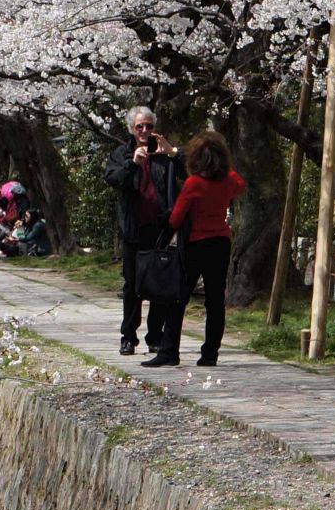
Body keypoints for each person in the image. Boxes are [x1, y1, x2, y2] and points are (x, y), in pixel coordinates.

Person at [142, 131, 244, 368]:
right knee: (215, 302)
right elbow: (239, 182)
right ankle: (210, 354)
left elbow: (176, 218)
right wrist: (223, 165)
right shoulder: (228, 181)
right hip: (220, 243)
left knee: (178, 299)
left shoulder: (193, 183)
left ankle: (169, 351)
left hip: (195, 244)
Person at [104, 107, 182, 358]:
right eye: (140, 127)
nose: (145, 131)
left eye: (149, 126)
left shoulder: (162, 153)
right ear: (131, 129)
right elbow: (113, 178)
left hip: (159, 228)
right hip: (133, 229)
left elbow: (187, 174)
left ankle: (155, 337)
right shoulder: (122, 154)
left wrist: (172, 154)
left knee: (160, 284)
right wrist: (133, 163)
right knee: (132, 285)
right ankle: (128, 337)